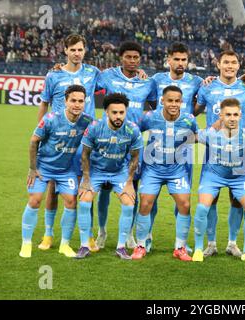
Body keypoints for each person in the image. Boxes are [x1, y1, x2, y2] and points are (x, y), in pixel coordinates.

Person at [37, 34, 100, 252]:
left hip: (84, 140)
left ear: (85, 51)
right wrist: (41, 131)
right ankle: (48, 234)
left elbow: (115, 78)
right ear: (65, 50)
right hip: (58, 140)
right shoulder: (53, 75)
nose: (76, 53)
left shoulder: (93, 73)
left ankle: (88, 235)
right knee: (53, 188)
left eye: (80, 49)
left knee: (85, 187)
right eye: (72, 49)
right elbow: (44, 104)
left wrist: (138, 72)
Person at [19, 85, 93, 258]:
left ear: (85, 103)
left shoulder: (87, 121)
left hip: (66, 170)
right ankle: (26, 243)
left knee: (70, 201)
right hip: (43, 168)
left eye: (80, 101)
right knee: (35, 200)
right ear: (65, 101)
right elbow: (33, 141)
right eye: (73, 100)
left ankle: (65, 245)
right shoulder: (51, 118)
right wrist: (32, 168)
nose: (77, 104)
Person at [95, 41, 156, 249]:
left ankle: (129, 233)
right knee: (104, 189)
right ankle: (101, 231)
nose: (132, 61)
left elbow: (157, 109)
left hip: (133, 145)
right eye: (128, 57)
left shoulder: (147, 83)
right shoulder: (108, 76)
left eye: (136, 57)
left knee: (133, 188)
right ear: (121, 57)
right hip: (108, 142)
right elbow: (85, 84)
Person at [195, 50, 245, 258]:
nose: (230, 65)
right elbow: (194, 109)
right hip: (214, 151)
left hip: (240, 151)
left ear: (239, 66)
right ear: (218, 64)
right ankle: (211, 243)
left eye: (234, 62)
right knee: (210, 198)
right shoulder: (207, 87)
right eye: (226, 62)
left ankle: (232, 242)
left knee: (237, 199)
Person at [147, 42, 203, 252]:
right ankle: (147, 237)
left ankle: (181, 243)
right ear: (168, 59)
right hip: (157, 145)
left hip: (183, 148)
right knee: (149, 197)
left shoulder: (197, 81)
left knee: (182, 198)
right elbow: (151, 105)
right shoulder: (156, 80)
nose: (180, 63)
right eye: (176, 59)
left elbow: (199, 106)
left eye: (184, 60)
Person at [133, 86, 198, 261]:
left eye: (177, 101)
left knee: (184, 204)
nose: (174, 104)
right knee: (145, 204)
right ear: (162, 101)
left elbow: (196, 136)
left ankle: (180, 247)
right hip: (152, 169)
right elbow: (134, 132)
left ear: (182, 102)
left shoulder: (189, 120)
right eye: (170, 100)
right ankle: (140, 245)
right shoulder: (150, 117)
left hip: (177, 170)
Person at [75, 93, 143, 259]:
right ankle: (84, 245)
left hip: (119, 172)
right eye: (114, 112)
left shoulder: (132, 129)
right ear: (106, 112)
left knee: (129, 203)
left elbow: (135, 157)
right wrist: (86, 179)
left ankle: (121, 247)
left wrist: (129, 183)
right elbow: (84, 154)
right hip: (96, 171)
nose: (118, 116)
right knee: (84, 201)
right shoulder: (94, 127)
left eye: (121, 112)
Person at [193, 98, 245, 264]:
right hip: (213, 175)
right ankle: (199, 249)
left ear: (241, 115)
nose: (232, 118)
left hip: (238, 177)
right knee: (203, 207)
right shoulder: (210, 133)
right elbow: (190, 137)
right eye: (228, 114)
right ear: (220, 116)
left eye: (235, 114)